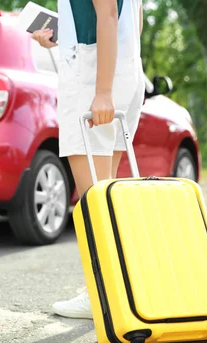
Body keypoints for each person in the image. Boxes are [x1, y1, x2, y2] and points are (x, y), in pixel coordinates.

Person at [32, 0, 145, 318]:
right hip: (124, 71)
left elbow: (107, 13)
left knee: (94, 203)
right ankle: (114, 290)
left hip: (92, 79)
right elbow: (131, 21)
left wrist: (103, 90)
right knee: (106, 195)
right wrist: (63, 35)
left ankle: (103, 295)